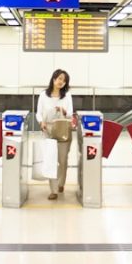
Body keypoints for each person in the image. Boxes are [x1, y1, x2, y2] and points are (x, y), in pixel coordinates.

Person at [36, 69, 73, 200]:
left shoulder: (67, 95)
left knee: (62, 160)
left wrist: (63, 110)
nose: (61, 82)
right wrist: (41, 122)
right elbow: (38, 113)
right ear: (54, 79)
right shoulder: (43, 95)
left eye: (64, 80)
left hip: (64, 129)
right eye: (60, 79)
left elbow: (70, 113)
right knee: (50, 160)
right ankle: (54, 189)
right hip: (48, 130)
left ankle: (61, 182)